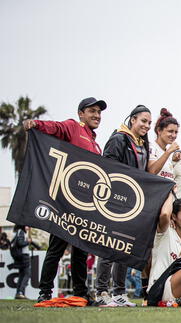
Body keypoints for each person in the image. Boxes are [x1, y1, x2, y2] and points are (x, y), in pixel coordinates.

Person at [23, 96, 106, 302]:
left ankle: (80, 294)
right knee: (57, 247)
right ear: (81, 114)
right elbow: (55, 127)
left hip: (85, 204)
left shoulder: (96, 144)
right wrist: (36, 124)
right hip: (66, 201)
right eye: (92, 111)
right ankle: (45, 292)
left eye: (99, 112)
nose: (96, 115)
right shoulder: (73, 126)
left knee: (81, 251)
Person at [95, 105, 152, 307]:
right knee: (108, 247)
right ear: (133, 119)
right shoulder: (119, 138)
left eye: (149, 123)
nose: (146, 126)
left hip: (132, 203)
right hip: (114, 201)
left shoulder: (143, 143)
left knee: (123, 248)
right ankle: (101, 292)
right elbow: (107, 167)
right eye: (143, 121)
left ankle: (119, 293)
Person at [148, 197, 181, 302]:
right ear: (174, 216)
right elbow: (164, 215)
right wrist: (170, 192)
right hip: (159, 289)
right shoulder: (165, 233)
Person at [147, 108, 181, 180]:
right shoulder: (151, 147)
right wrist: (168, 152)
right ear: (159, 130)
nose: (174, 135)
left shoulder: (169, 153)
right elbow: (152, 171)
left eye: (176, 132)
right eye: (170, 131)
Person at [9, 225, 31, 299]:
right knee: (27, 274)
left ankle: (19, 293)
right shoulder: (21, 232)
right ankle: (21, 292)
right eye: (27, 225)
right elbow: (20, 243)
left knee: (22, 274)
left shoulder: (19, 232)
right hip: (23, 256)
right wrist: (28, 242)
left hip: (21, 256)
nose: (29, 227)